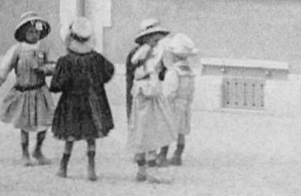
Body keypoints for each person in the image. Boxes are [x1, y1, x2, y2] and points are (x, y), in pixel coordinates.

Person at [48, 16, 115, 181]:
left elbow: (57, 84)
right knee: (91, 135)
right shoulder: (96, 59)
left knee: (70, 135)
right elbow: (109, 71)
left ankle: (63, 167)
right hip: (93, 101)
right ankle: (91, 168)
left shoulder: (66, 61)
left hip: (71, 103)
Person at [0, 10, 54, 165]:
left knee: (44, 123)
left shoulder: (43, 49)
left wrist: (44, 70)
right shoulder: (17, 50)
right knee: (24, 125)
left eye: (36, 31)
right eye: (30, 32)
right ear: (23, 33)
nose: (34, 35)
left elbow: (53, 66)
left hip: (40, 91)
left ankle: (38, 149)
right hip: (23, 92)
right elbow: (5, 67)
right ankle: (25, 153)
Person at [126, 21, 176, 184]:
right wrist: (153, 73)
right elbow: (146, 73)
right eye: (155, 39)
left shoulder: (148, 54)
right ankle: (149, 171)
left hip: (145, 96)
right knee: (150, 132)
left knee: (144, 132)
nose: (157, 42)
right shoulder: (146, 56)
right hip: (147, 96)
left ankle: (143, 171)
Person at [160, 31, 200, 166]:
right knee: (181, 130)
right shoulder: (189, 73)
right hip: (185, 105)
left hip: (173, 105)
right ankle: (178, 154)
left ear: (174, 56)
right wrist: (188, 102)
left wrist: (163, 103)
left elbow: (169, 92)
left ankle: (162, 155)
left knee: (167, 129)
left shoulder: (173, 72)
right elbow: (191, 91)